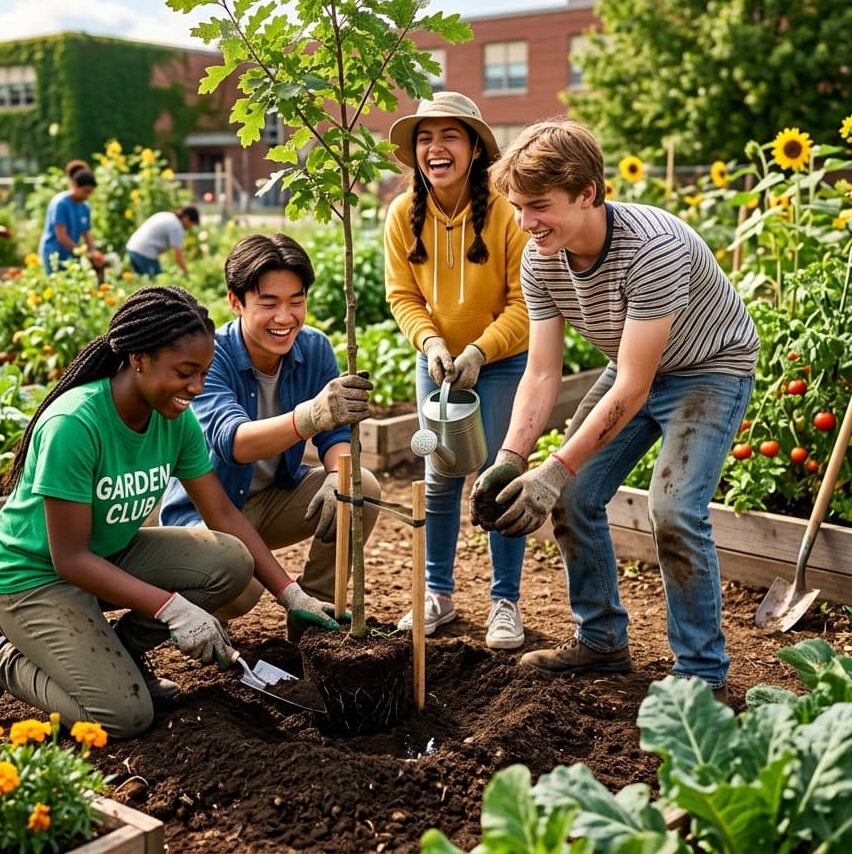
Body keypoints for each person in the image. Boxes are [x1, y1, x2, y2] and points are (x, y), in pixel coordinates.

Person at [0, 285, 344, 739]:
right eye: (185, 372)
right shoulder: (75, 425)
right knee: (123, 717)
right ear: (138, 359)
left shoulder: (174, 420)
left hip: (107, 554)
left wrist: (290, 594)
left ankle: (119, 656)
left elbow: (223, 515)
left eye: (202, 372)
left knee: (231, 561)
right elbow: (69, 559)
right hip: (33, 577)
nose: (196, 388)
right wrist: (173, 609)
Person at [472, 117, 759, 699]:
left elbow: (631, 387)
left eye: (539, 206)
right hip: (633, 366)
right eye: (518, 207)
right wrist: (511, 456)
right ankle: (602, 641)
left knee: (675, 510)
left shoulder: (653, 248)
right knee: (576, 498)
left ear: (588, 193)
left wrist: (553, 469)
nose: (526, 223)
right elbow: (543, 371)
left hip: (710, 367)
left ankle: (700, 673)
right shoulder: (540, 258)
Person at [160, 233, 380, 627]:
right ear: (235, 301)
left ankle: (314, 616)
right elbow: (232, 442)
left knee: (358, 485)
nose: (285, 317)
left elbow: (333, 435)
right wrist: (309, 415)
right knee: (242, 584)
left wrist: (336, 474)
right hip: (211, 514)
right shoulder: (209, 354)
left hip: (276, 499)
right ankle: (202, 610)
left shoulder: (313, 348)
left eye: (296, 301)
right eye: (269, 303)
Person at [383, 92, 530, 649]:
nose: (435, 148)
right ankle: (438, 593)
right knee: (441, 475)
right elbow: (403, 295)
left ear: (474, 147)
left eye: (449, 135)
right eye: (425, 137)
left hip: (500, 363)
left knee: (500, 476)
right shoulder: (402, 214)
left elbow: (525, 304)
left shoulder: (505, 211)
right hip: (438, 362)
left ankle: (504, 601)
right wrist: (432, 343)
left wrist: (480, 352)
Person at [38, 160, 104, 274]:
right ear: (74, 185)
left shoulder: (84, 207)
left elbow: (86, 233)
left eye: (90, 192)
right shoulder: (61, 203)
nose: (87, 195)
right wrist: (83, 253)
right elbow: (61, 236)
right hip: (54, 254)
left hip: (70, 254)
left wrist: (93, 252)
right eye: (85, 191)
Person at [126, 206, 201, 278]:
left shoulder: (167, 216)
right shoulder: (177, 227)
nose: (191, 227)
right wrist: (186, 274)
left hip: (132, 247)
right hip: (144, 253)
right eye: (192, 224)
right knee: (155, 284)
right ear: (186, 218)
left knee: (141, 282)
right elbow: (178, 257)